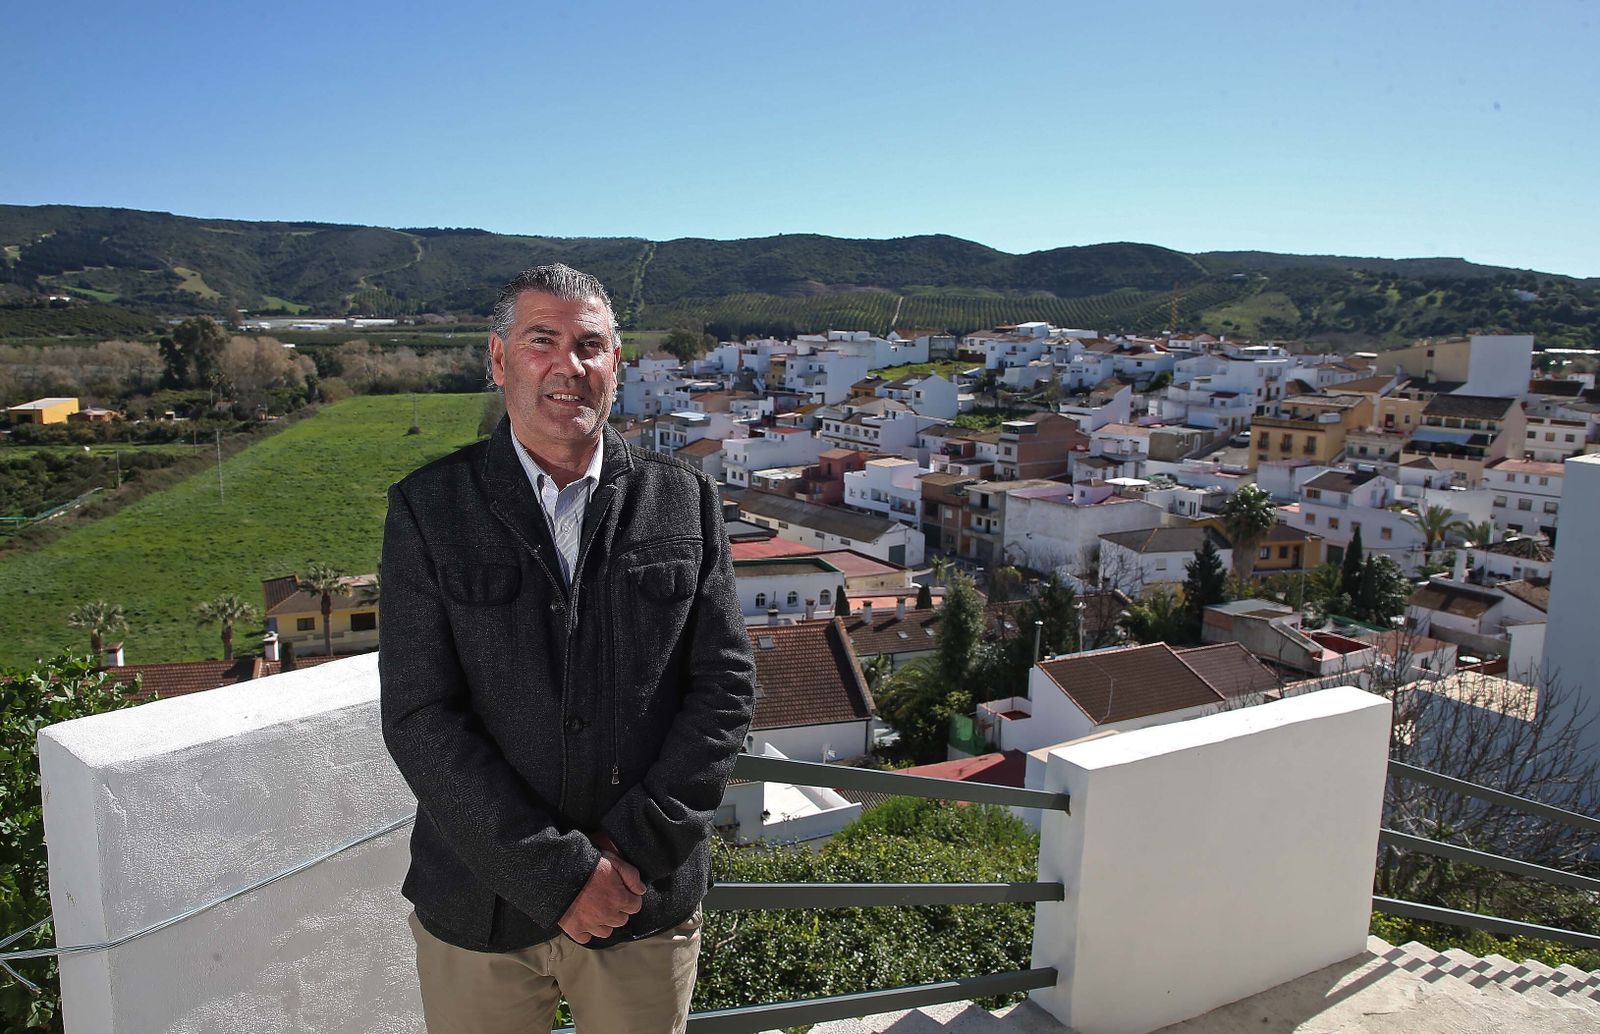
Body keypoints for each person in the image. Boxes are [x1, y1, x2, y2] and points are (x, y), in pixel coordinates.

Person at [379, 263, 757, 1033]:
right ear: (499, 358)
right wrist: (559, 874)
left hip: (640, 903)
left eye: (590, 345)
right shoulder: (429, 509)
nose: (568, 366)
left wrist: (626, 857)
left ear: (616, 364)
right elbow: (420, 716)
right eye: (541, 340)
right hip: (480, 907)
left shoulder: (685, 499)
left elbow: (725, 687)